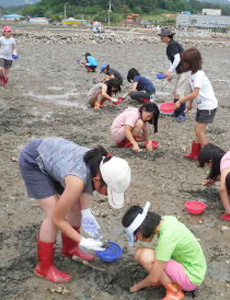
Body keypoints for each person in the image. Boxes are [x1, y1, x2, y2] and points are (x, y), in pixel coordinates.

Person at [18, 137, 131, 283]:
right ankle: (43, 268)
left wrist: (86, 212)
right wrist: (82, 240)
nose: (106, 195)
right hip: (34, 160)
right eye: (108, 191)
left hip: (58, 160)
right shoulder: (78, 178)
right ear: (98, 178)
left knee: (76, 208)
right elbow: (58, 219)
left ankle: (69, 249)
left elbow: (84, 188)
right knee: (52, 214)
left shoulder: (100, 163)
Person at [122, 202, 207, 300]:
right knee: (139, 253)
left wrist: (138, 286)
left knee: (145, 256)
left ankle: (174, 291)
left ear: (141, 231)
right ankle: (164, 280)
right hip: (192, 266)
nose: (138, 239)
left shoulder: (167, 239)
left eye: (136, 236)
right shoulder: (166, 220)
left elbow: (152, 278)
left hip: (191, 278)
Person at [175, 48, 218, 161]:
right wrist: (190, 104)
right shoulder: (192, 74)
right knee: (197, 130)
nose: (183, 64)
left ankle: (211, 156)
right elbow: (192, 91)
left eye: (185, 62)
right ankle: (195, 153)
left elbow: (195, 93)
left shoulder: (199, 74)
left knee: (199, 131)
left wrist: (181, 101)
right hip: (202, 105)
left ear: (192, 63)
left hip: (208, 106)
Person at [158, 27, 190, 122]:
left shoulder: (172, 45)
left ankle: (182, 114)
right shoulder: (171, 45)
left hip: (186, 71)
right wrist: (171, 73)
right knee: (175, 92)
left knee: (180, 93)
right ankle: (176, 112)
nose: (160, 37)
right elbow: (174, 62)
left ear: (167, 36)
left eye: (162, 36)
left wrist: (169, 71)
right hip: (181, 71)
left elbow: (177, 58)